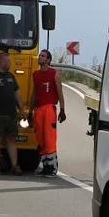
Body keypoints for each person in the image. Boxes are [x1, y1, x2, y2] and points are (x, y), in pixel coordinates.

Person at [29, 48, 66, 176]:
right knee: (40, 138)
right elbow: (35, 93)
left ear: (48, 60)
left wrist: (62, 110)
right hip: (38, 109)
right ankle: (45, 165)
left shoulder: (54, 74)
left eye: (43, 56)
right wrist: (30, 111)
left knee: (49, 137)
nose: (40, 57)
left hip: (49, 108)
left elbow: (60, 92)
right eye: (40, 55)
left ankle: (52, 167)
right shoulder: (36, 75)